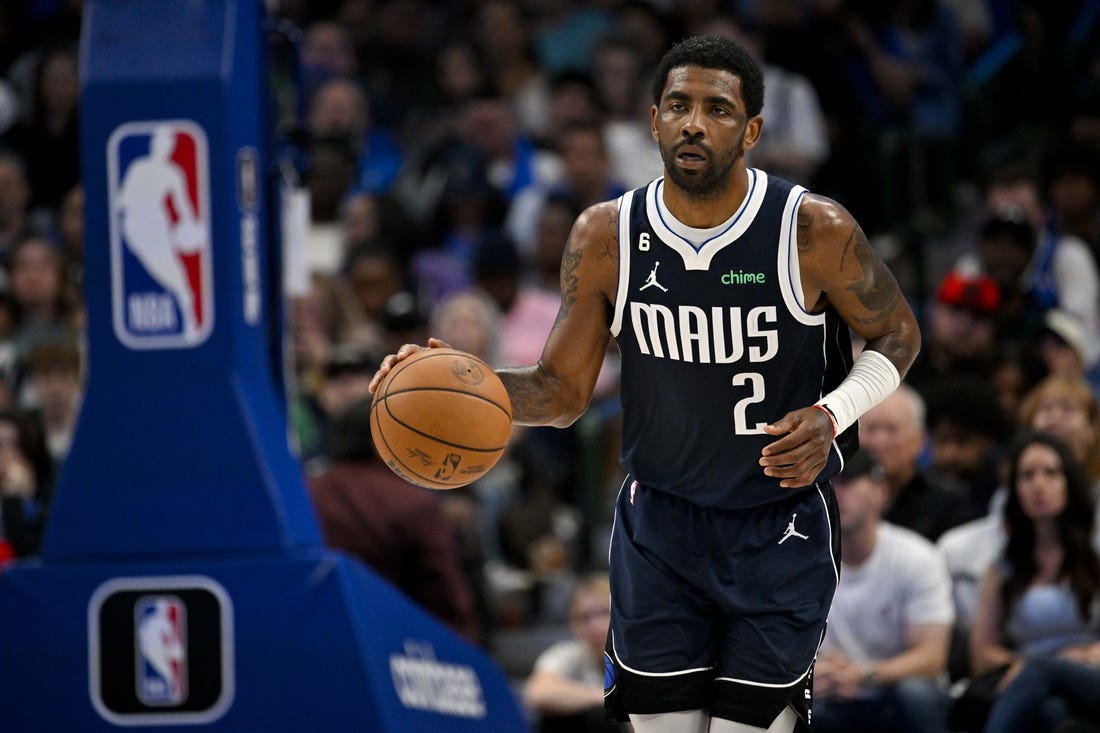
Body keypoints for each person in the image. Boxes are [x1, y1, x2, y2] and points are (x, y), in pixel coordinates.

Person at [371, 34, 921, 733]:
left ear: (751, 129)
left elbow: (899, 334)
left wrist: (833, 412)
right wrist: (449, 383)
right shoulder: (606, 233)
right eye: (678, 105)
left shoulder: (810, 227)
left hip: (775, 526)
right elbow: (561, 392)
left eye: (717, 109)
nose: (694, 121)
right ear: (653, 120)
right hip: (660, 530)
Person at [958, 431, 1100, 733]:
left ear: (1069, 483)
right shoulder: (1004, 566)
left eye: (1051, 473)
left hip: (1092, 674)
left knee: (1042, 671)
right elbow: (982, 651)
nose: (1039, 484)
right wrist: (1022, 667)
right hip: (1030, 683)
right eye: (1027, 475)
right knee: (1054, 714)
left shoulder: (1095, 555)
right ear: (1015, 490)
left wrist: (1076, 658)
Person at [306, 395, 478, 642]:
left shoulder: (304, 492)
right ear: (384, 441)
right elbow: (446, 599)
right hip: (399, 649)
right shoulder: (412, 504)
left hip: (318, 641)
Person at [812, 450, 954, 733]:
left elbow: (931, 657)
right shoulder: (801, 561)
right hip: (831, 697)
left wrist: (865, 675)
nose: (837, 491)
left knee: (915, 694)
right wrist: (811, 675)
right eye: (828, 482)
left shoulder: (917, 557)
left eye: (848, 480)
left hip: (891, 693)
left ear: (881, 492)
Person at [858, 383, 976, 542]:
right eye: (871, 429)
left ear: (920, 440)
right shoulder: (836, 496)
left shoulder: (951, 503)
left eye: (891, 429)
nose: (879, 441)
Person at [523, 573, 622, 733]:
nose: (594, 626)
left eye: (604, 613)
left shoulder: (641, 657)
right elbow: (538, 694)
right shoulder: (571, 653)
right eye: (584, 618)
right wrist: (610, 697)